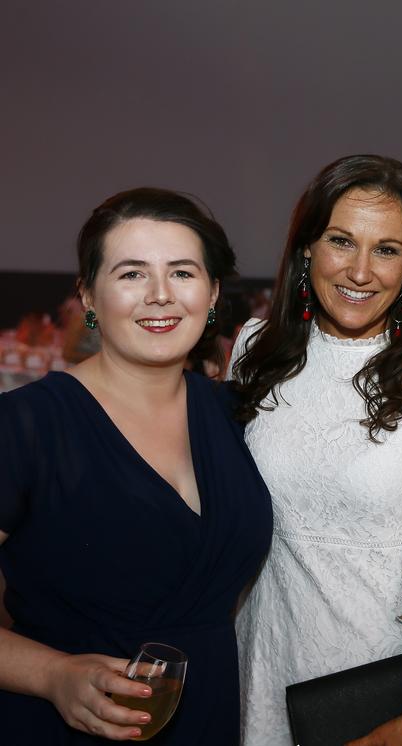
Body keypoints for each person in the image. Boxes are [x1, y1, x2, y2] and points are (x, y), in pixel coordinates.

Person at [0, 188, 273, 744]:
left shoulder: (239, 416)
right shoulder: (25, 425)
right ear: (88, 296)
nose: (159, 295)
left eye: (182, 273)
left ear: (213, 292)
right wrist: (52, 675)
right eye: (131, 274)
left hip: (213, 719)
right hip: (65, 726)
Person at [230, 155, 402, 746]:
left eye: (386, 250)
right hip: (262, 653)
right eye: (341, 241)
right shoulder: (253, 349)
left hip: (378, 668)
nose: (361, 271)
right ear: (306, 250)